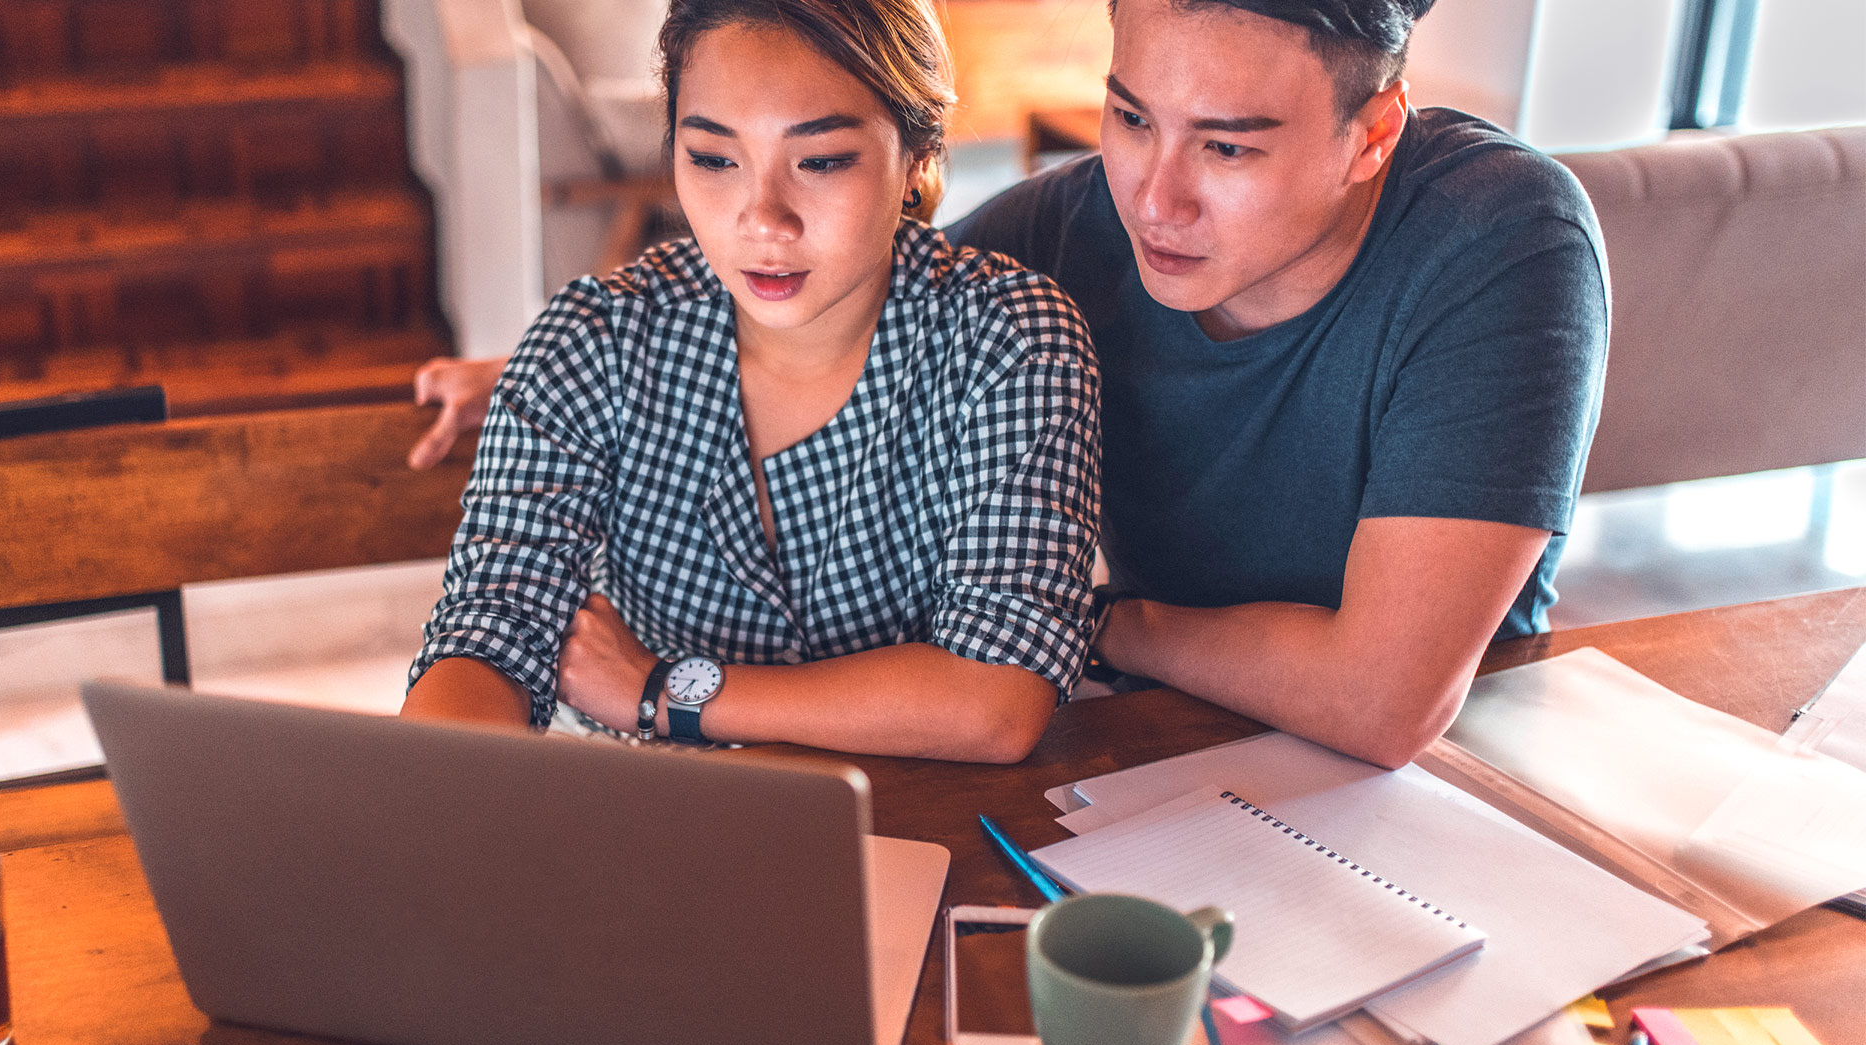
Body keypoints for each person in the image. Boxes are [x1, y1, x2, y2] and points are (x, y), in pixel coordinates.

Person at [413, 0, 1606, 771]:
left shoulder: (1498, 236)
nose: (1154, 197)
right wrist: (546, 369)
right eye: (1131, 118)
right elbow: (838, 280)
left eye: (1228, 146)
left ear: (1371, 133)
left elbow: (1384, 702)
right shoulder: (1068, 231)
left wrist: (1082, 628)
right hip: (1147, 751)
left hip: (1444, 784)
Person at [399, 0, 1101, 763]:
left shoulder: (1010, 341)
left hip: (912, 811)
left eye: (821, 160)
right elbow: (490, 632)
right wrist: (434, 798)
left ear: (919, 156)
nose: (762, 220)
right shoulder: (592, 343)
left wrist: (666, 692)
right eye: (713, 159)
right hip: (641, 805)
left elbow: (997, 699)